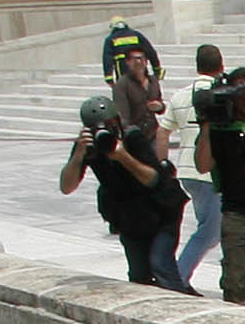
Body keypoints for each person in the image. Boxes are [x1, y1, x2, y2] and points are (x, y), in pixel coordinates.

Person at [61, 80, 188, 291]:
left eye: (110, 125)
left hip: (162, 210)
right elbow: (67, 187)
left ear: (117, 121)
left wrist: (122, 156)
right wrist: (78, 155)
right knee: (139, 276)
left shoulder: (132, 137)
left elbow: (152, 179)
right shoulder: (87, 146)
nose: (105, 132)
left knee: (161, 264)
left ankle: (180, 302)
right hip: (129, 217)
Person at [185, 64, 245, 307]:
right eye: (242, 91)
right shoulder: (221, 127)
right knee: (235, 282)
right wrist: (207, 123)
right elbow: (202, 165)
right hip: (236, 212)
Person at [174, 47, 233, 292]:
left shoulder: (179, 96)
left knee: (214, 228)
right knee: (210, 232)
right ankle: (178, 277)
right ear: (221, 65)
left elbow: (163, 131)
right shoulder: (222, 95)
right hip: (210, 174)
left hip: (186, 172)